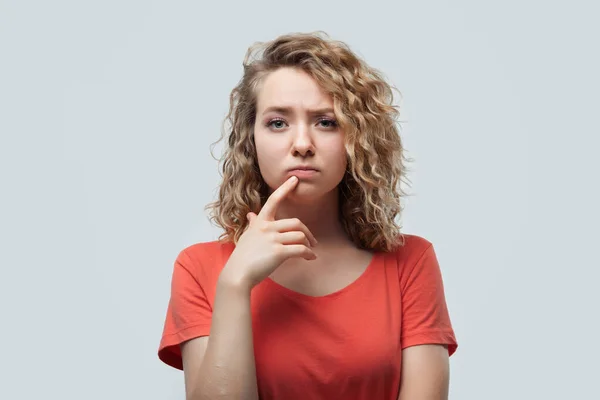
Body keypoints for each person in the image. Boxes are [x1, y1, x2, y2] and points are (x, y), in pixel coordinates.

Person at [157, 31, 458, 400]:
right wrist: (235, 284)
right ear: (250, 139)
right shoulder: (200, 268)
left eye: (326, 122)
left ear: (356, 140)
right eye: (278, 123)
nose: (302, 144)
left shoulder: (409, 263)